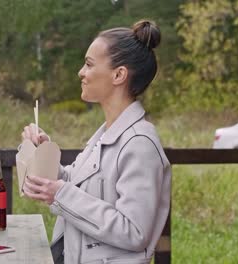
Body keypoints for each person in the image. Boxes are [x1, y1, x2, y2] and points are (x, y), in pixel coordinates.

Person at [21, 20, 171, 264]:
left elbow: (134, 232)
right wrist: (43, 154)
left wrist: (60, 194)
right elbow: (75, 186)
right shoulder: (104, 135)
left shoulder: (140, 144)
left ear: (118, 74)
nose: (81, 72)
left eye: (89, 64)